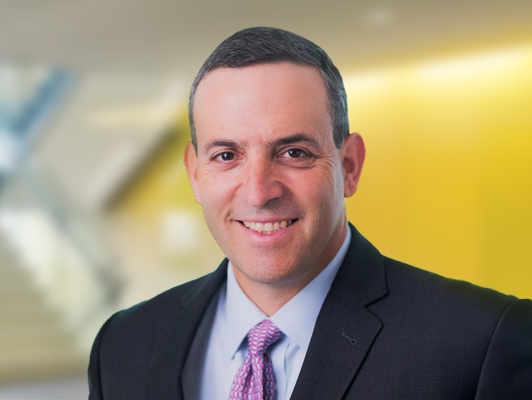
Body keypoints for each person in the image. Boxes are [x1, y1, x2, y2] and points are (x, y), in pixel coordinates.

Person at [88, 27, 532, 399]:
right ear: (194, 173)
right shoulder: (122, 345)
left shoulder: (483, 342)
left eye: (294, 152)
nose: (259, 192)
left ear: (349, 166)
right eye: (226, 156)